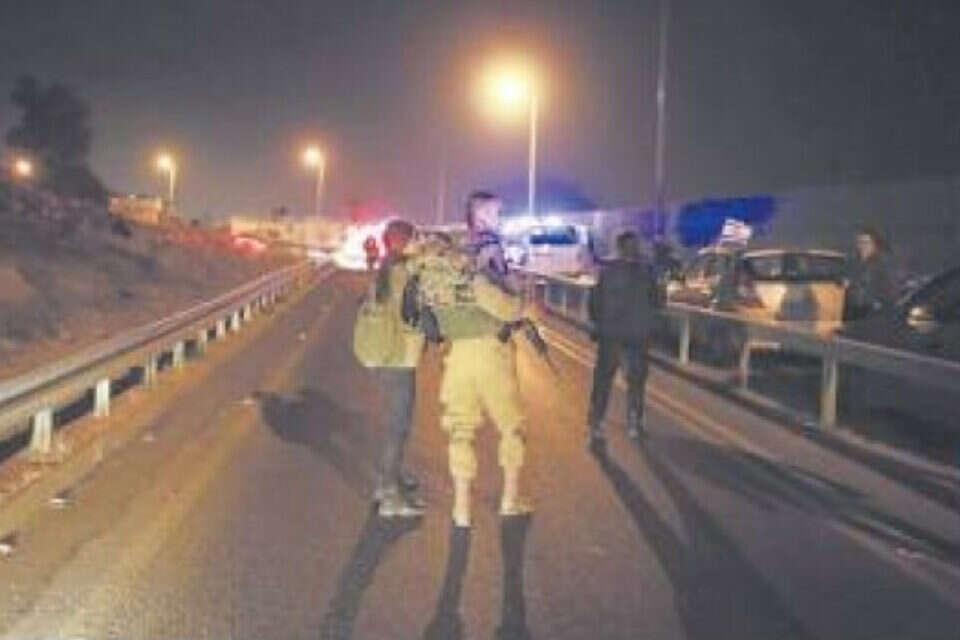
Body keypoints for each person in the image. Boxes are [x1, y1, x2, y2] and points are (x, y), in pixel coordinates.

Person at [407, 191, 532, 528]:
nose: (500, 217)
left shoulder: (450, 264)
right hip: (491, 351)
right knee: (511, 426)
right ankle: (510, 499)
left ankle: (461, 508)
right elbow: (506, 306)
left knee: (460, 429)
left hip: (456, 355)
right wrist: (520, 295)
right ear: (480, 215)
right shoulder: (488, 251)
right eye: (495, 211)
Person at [371, 219, 426, 518]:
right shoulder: (403, 274)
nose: (418, 244)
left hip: (388, 358)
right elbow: (418, 315)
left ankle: (391, 479)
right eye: (415, 239)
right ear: (404, 242)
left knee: (397, 425)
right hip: (398, 360)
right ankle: (388, 493)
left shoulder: (386, 268)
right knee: (396, 427)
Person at [586, 231, 661, 445]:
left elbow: (594, 302)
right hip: (633, 335)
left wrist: (597, 324)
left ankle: (598, 423)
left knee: (606, 381)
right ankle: (631, 422)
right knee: (633, 381)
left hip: (616, 334)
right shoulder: (646, 272)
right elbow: (658, 302)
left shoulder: (608, 271)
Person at [844, 227, 901, 322]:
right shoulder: (853, 265)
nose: (863, 246)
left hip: (874, 315)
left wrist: (878, 305)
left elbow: (891, 293)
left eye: (866, 243)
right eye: (860, 242)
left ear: (875, 245)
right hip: (854, 313)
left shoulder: (883, 266)